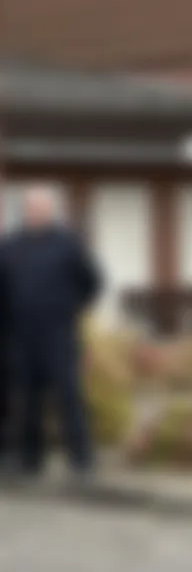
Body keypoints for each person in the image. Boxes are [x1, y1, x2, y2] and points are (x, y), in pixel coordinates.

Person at [2, 185, 100, 476]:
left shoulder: (67, 245)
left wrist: (68, 309)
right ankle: (30, 460)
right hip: (21, 337)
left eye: (41, 208)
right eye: (32, 208)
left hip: (58, 335)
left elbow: (90, 282)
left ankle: (81, 460)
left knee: (68, 396)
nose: (36, 213)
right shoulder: (11, 246)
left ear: (50, 211)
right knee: (28, 399)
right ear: (25, 211)